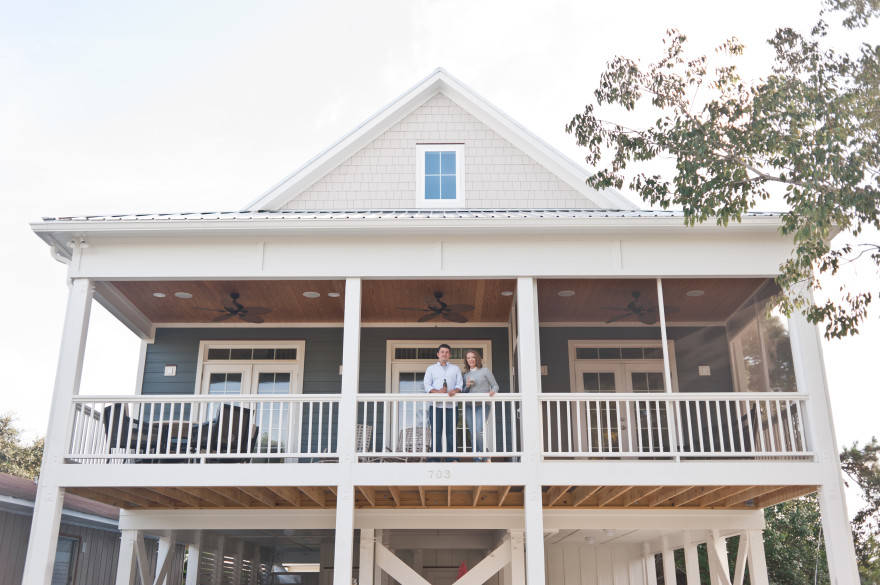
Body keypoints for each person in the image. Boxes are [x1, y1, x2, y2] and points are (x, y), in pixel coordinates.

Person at [423, 343, 463, 462]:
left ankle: (452, 458)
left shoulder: (455, 368)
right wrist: (438, 392)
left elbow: (460, 384)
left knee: (451, 433)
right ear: (438, 354)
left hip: (451, 406)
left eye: (446, 352)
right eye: (442, 352)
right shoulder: (431, 369)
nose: (444, 354)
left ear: (449, 355)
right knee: (436, 433)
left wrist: (454, 391)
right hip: (435, 405)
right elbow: (427, 386)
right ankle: (434, 458)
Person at [462, 349, 499, 461]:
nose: (470, 360)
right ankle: (477, 459)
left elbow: (495, 385)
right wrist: (467, 386)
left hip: (482, 404)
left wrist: (492, 392)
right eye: (468, 358)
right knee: (472, 433)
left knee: (478, 430)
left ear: (477, 358)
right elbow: (464, 393)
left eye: (472, 357)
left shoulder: (485, 371)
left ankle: (485, 454)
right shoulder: (466, 375)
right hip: (469, 405)